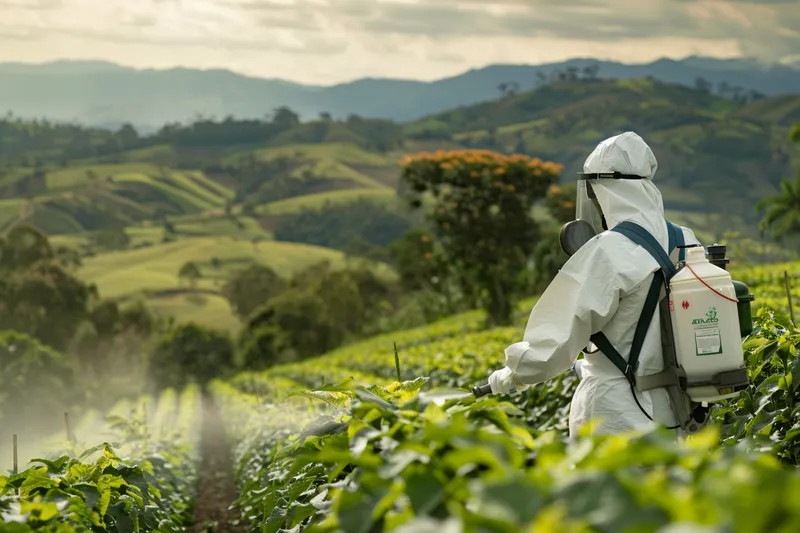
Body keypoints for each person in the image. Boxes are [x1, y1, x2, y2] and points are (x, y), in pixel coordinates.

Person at [487, 131, 702, 437]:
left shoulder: (608, 250)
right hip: (678, 413)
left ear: (603, 190)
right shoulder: (687, 240)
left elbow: (551, 344)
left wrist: (510, 376)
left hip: (616, 418)